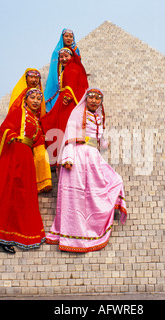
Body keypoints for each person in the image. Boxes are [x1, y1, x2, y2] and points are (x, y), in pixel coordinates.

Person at [45, 88, 127, 252]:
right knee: (77, 195)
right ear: (86, 98)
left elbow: (99, 138)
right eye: (92, 97)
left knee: (115, 180)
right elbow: (69, 137)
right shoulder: (77, 114)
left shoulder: (98, 117)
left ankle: (92, 224)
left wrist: (104, 144)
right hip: (78, 155)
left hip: (93, 155)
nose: (95, 101)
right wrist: (67, 157)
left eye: (98, 99)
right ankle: (75, 235)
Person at [0, 88, 47, 254]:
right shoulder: (18, 112)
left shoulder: (36, 120)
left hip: (26, 159)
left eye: (38, 99)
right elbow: (3, 128)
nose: (35, 101)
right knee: (8, 192)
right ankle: (2, 237)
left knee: (25, 196)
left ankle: (22, 235)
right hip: (13, 154)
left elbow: (39, 144)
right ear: (25, 100)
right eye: (32, 97)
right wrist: (11, 134)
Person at [41, 47, 89, 167]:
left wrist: (67, 95)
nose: (63, 59)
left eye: (65, 56)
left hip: (68, 101)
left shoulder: (72, 68)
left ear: (72, 56)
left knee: (58, 124)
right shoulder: (70, 67)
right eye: (61, 57)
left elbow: (71, 84)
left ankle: (63, 155)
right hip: (65, 99)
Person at [9, 68, 52, 193]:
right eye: (31, 77)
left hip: (35, 128)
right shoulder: (19, 102)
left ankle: (42, 180)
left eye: (36, 77)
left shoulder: (37, 102)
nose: (34, 79)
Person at [44, 28, 81, 112]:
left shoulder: (76, 50)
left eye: (71, 36)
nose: (68, 38)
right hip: (60, 80)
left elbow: (79, 64)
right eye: (66, 36)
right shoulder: (56, 51)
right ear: (62, 37)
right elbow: (54, 68)